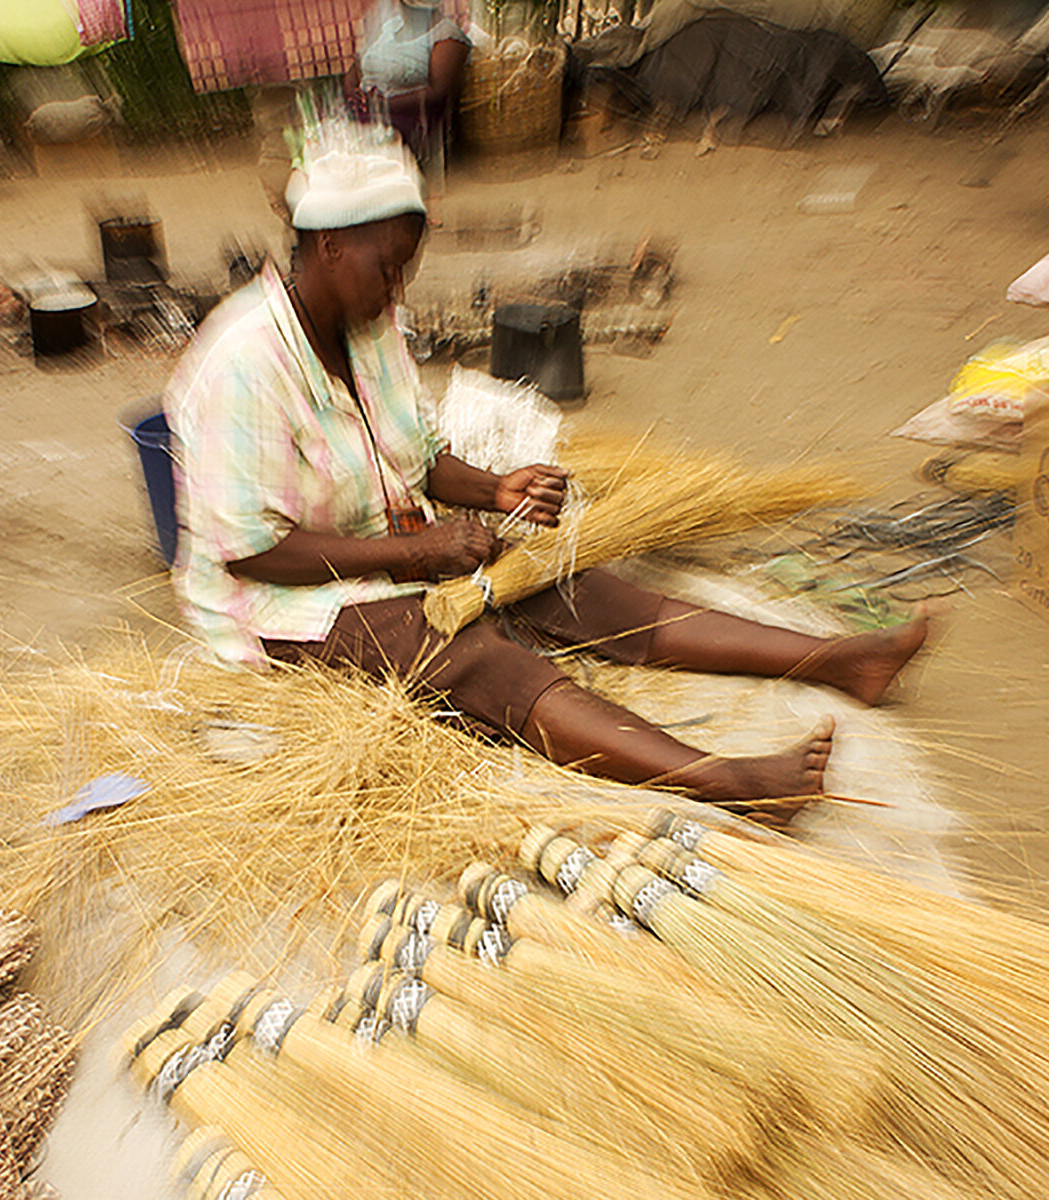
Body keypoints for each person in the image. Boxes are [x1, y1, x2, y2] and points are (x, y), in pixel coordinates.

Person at [166, 129, 927, 826]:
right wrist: (416, 556)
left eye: (406, 269)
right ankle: (728, 782)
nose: (398, 288)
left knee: (571, 585)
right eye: (385, 267)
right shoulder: (244, 364)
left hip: (393, 546)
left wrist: (495, 490)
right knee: (475, 654)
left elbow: (421, 458)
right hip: (284, 604)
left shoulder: (370, 326)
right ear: (328, 246)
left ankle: (838, 660)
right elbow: (252, 553)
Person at [343, 0, 469, 166]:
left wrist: (384, 105)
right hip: (366, 114)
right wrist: (352, 90)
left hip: (405, 123)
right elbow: (357, 66)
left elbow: (438, 93)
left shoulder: (447, 37)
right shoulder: (389, 28)